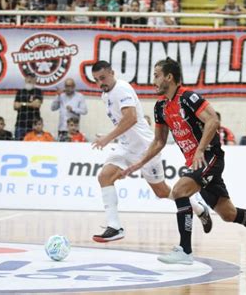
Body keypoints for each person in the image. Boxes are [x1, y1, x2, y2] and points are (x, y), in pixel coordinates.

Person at [123, 58, 246, 264]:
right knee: (229, 214)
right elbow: (159, 141)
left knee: (179, 191)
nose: (154, 80)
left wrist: (200, 150)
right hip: (197, 163)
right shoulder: (160, 107)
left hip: (209, 157)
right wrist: (140, 163)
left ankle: (185, 251)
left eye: (157, 75)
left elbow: (213, 120)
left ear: (169, 77)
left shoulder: (188, 97)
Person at [90, 60, 212, 243]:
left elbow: (130, 118)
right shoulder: (105, 95)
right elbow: (122, 123)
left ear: (112, 73)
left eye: (103, 78)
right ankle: (114, 226)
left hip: (145, 148)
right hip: (125, 147)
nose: (101, 83)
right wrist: (113, 137)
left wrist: (107, 138)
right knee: (104, 177)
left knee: (162, 192)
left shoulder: (122, 89)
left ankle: (199, 208)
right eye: (96, 80)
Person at [13, 73, 43, 140]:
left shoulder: (38, 91)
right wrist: (30, 104)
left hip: (34, 126)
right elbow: (15, 106)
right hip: (20, 124)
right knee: (18, 146)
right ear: (25, 79)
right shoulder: (20, 92)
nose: (29, 80)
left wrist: (22, 104)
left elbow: (37, 105)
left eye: (31, 78)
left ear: (35, 80)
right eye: (27, 78)